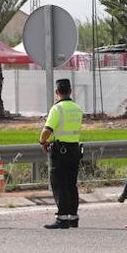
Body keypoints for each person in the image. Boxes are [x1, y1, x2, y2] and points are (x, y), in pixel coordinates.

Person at [40, 78, 85, 229]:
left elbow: (47, 130)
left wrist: (42, 142)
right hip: (74, 150)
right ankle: (73, 217)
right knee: (71, 184)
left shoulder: (57, 109)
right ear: (70, 91)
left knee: (59, 184)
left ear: (57, 92)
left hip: (60, 151)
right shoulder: (77, 108)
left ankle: (62, 218)